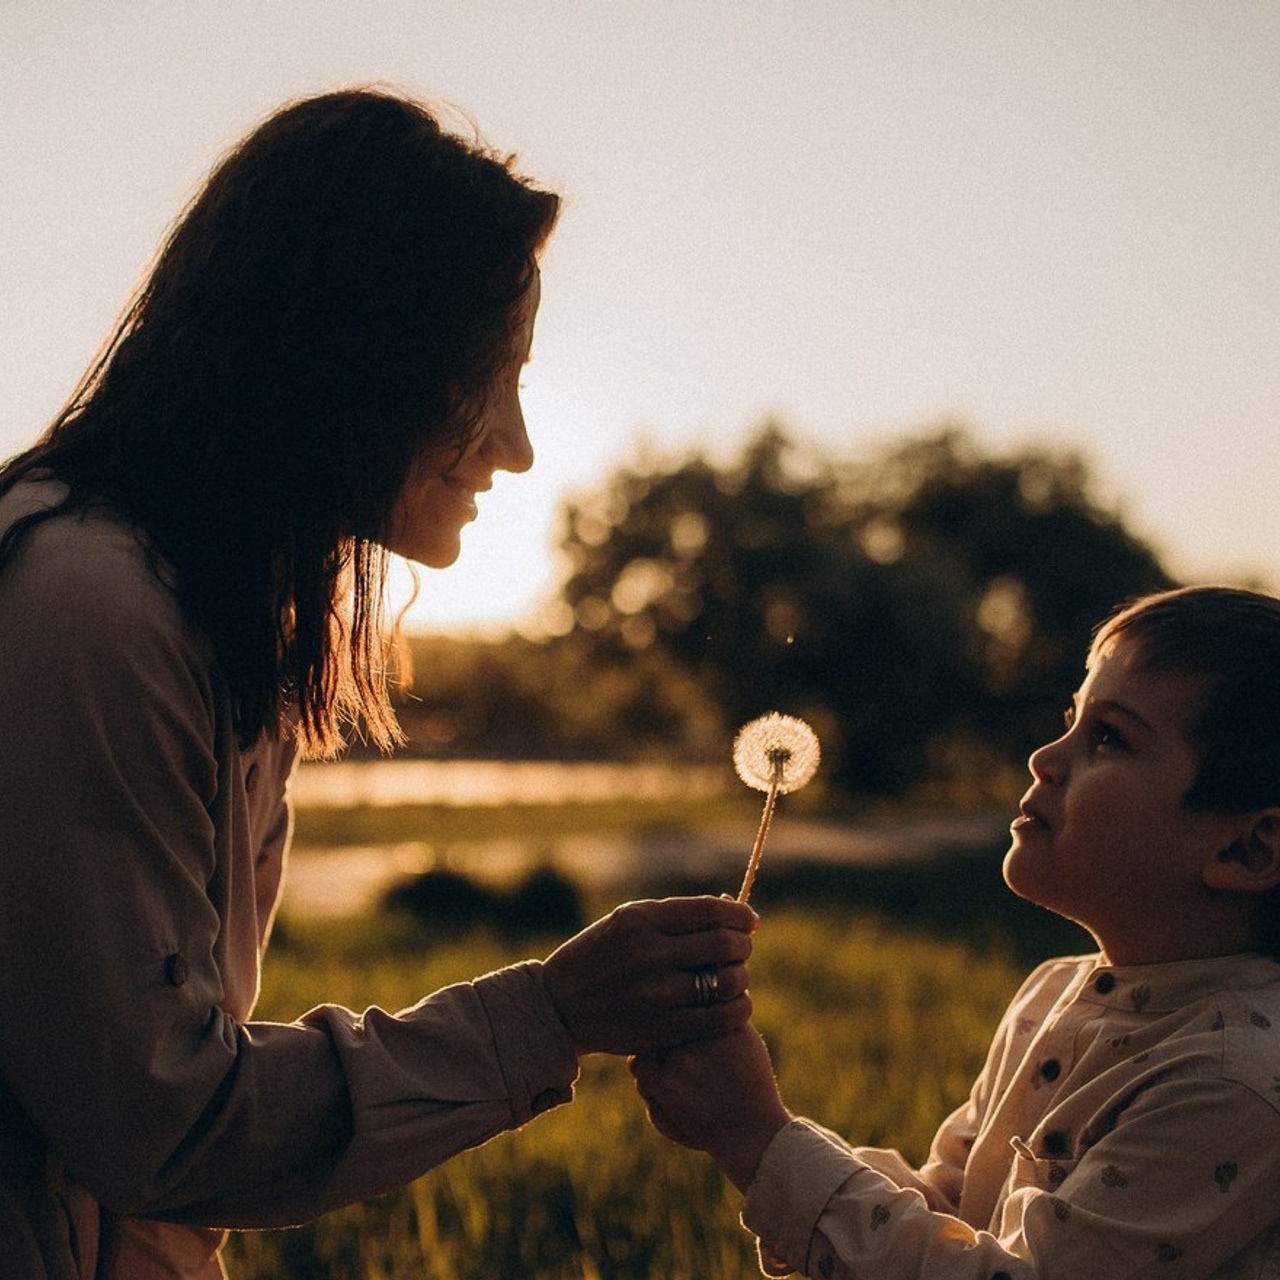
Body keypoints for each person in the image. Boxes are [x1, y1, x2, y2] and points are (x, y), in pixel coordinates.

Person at [0, 87, 756, 1280]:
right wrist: (548, 1016)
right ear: (354, 359)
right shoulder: (91, 608)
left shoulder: (224, 620)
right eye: (490, 376)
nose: (515, 443)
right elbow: (161, 1121)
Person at [632, 585, 1280, 1279]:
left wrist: (758, 1142)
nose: (1045, 758)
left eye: (1110, 737)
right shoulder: (1050, 993)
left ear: (1246, 852)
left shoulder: (1233, 1083)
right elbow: (954, 1217)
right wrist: (758, 1129)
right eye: (1071, 719)